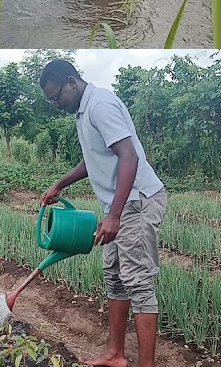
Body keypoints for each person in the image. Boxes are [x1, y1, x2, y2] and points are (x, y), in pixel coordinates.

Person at [39, 59, 167, 367]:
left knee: (137, 281)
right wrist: (61, 182)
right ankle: (116, 354)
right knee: (114, 276)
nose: (57, 104)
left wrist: (114, 215)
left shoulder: (99, 106)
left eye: (57, 97)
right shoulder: (83, 111)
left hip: (137, 202)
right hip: (122, 205)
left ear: (71, 82)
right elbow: (95, 159)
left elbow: (129, 157)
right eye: (51, 100)